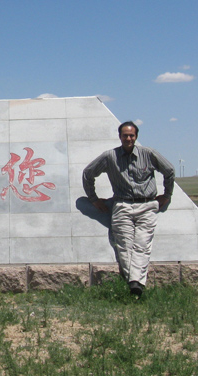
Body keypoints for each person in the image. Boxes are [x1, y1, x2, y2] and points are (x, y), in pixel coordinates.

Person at [82, 121, 175, 297]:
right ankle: (136, 283)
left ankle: (134, 283)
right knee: (124, 246)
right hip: (122, 205)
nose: (128, 138)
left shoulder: (148, 154)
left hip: (147, 205)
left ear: (136, 136)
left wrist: (167, 194)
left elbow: (169, 170)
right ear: (120, 136)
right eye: (125, 135)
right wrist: (93, 199)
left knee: (142, 245)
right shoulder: (110, 157)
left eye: (131, 135)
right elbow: (88, 173)